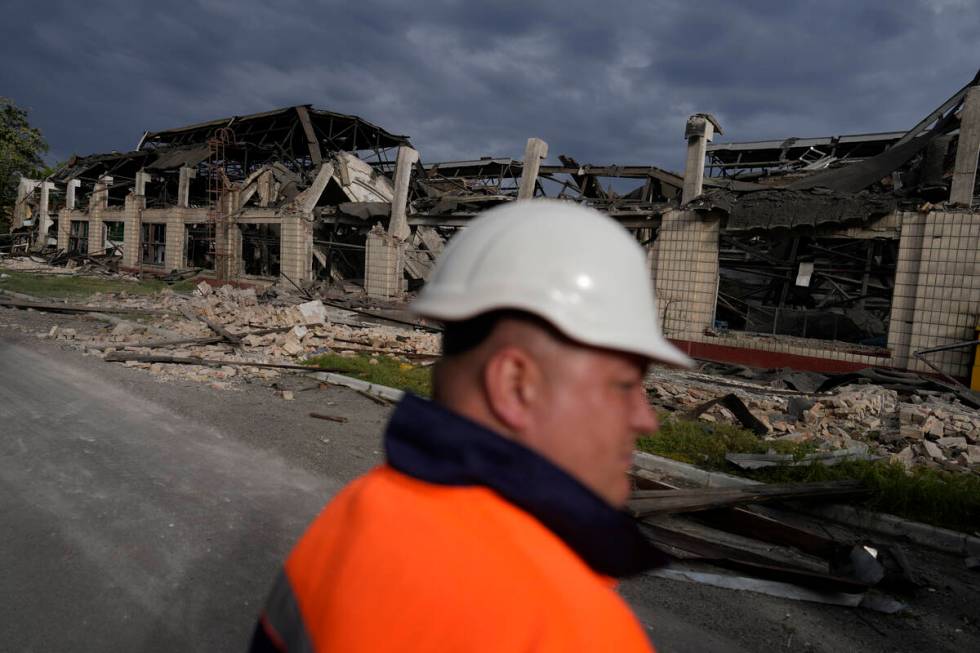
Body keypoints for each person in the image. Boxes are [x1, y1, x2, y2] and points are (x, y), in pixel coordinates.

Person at [249, 199, 692, 652]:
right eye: (622, 386)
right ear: (516, 384)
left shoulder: (353, 516)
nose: (645, 418)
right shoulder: (576, 627)